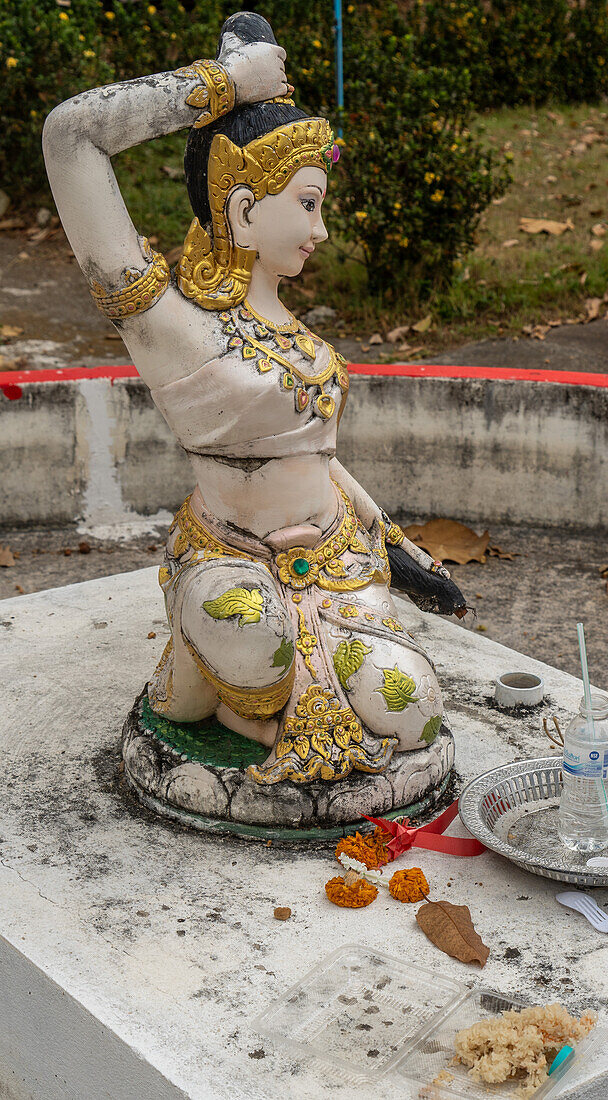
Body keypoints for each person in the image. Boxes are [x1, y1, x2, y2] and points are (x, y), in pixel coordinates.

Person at [43, 11, 464, 786]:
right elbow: (71, 137)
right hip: (233, 562)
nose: (323, 229)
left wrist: (398, 549)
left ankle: (243, 694)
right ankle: (216, 683)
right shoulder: (170, 325)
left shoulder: (301, 338)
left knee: (411, 708)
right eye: (308, 204)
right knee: (257, 646)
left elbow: (319, 459)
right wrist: (224, 85)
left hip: (337, 563)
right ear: (242, 208)